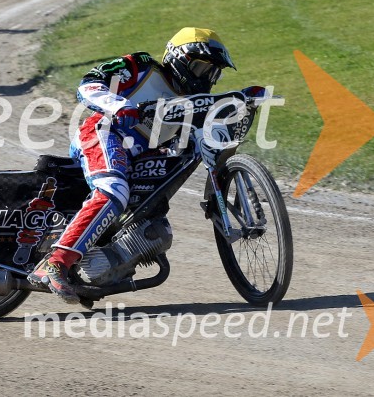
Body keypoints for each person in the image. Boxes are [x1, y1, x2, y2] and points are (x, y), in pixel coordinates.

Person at [28, 27, 236, 303]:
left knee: (150, 211)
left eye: (214, 73)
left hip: (137, 155)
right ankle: (55, 263)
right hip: (104, 132)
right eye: (202, 68)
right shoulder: (142, 66)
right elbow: (88, 84)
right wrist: (118, 105)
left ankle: (102, 260)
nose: (207, 79)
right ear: (179, 59)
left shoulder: (193, 104)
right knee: (113, 190)